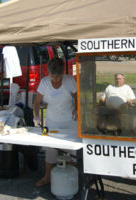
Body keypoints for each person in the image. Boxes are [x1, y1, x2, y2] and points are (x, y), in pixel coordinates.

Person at [33, 57, 78, 187]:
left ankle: (71, 178)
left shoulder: (70, 81)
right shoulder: (44, 82)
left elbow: (77, 98)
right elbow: (37, 102)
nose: (56, 79)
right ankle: (47, 176)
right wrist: (36, 115)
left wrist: (76, 108)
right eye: (53, 77)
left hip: (70, 121)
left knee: (70, 150)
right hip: (52, 120)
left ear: (62, 73)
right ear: (49, 74)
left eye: (58, 77)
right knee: (50, 149)